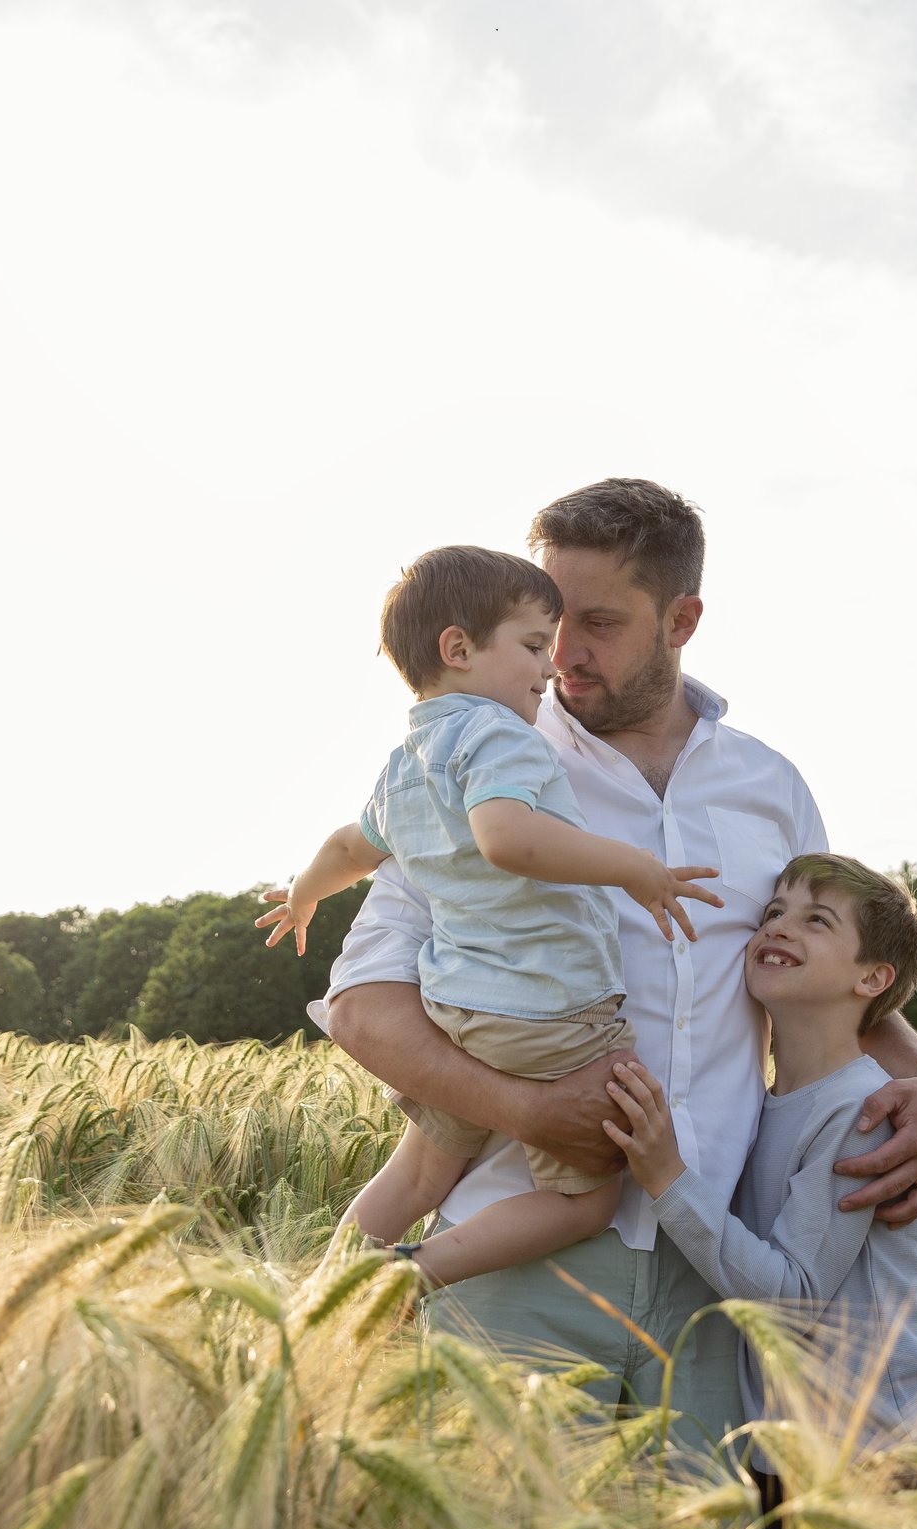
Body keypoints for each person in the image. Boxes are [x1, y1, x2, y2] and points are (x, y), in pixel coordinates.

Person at [309, 479, 917, 1448]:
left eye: (600, 623)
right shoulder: (489, 764)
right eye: (550, 623)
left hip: (714, 1280)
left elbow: (828, 976)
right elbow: (365, 1008)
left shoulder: (769, 787)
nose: (565, 652)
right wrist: (530, 1111)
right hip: (517, 1257)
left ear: (683, 617)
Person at [257, 544, 722, 1287]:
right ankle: (418, 1271)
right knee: (587, 1201)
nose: (551, 666)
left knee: (418, 1171)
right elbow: (506, 838)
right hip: (547, 1010)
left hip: (459, 1008)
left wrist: (305, 892)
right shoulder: (500, 734)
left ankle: (329, 1289)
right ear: (459, 648)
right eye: (535, 645)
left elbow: (352, 844)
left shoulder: (406, 760)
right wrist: (634, 866)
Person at [598, 854, 917, 1529]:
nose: (781, 926)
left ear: (872, 977)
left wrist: (666, 1177)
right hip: (788, 1449)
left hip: (887, 1450)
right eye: (773, 912)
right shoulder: (757, 1105)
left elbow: (793, 1298)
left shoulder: (860, 1108)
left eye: (816, 919)